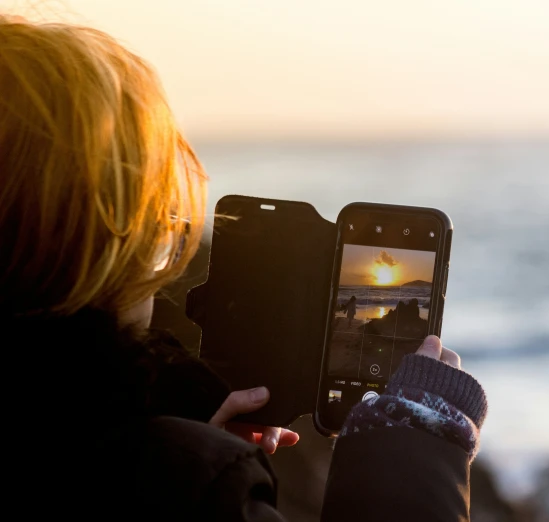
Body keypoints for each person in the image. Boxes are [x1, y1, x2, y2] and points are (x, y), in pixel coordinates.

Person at [0, 15, 488, 521]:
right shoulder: (178, 481)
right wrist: (415, 441)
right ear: (99, 245)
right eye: (161, 225)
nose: (168, 269)